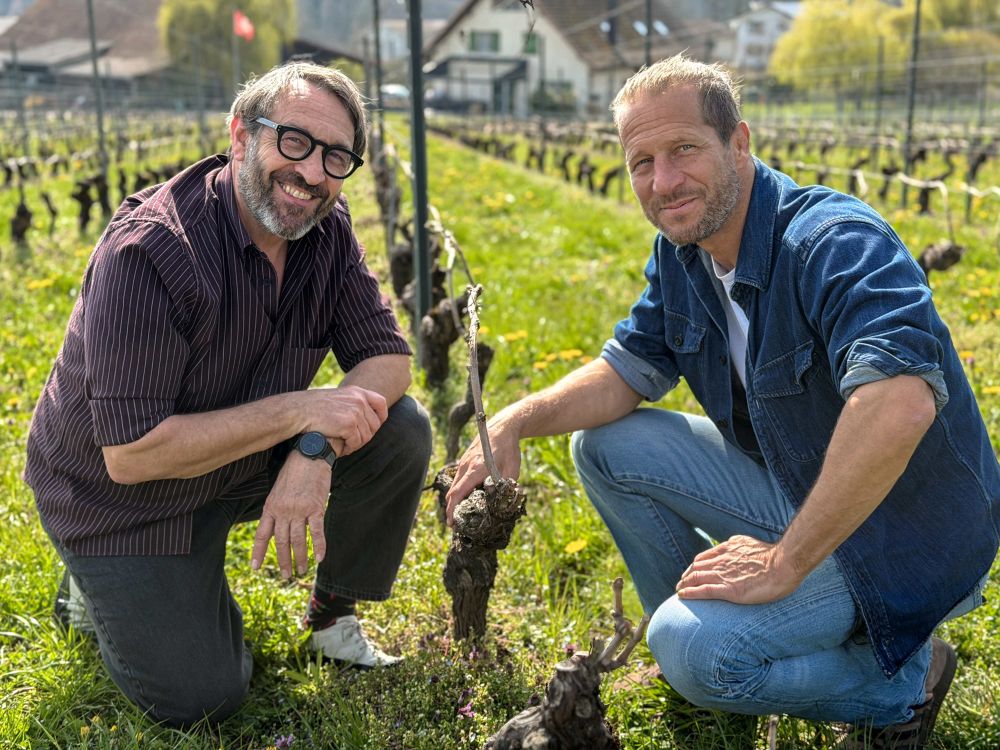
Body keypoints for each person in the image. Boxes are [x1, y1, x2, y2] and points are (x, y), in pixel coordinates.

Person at [448, 54, 999, 747]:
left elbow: (901, 403)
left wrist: (784, 562)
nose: (663, 181)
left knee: (694, 651)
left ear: (739, 142)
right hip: (805, 490)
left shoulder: (833, 242)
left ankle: (901, 685)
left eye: (683, 150)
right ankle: (719, 638)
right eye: (641, 161)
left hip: (904, 536)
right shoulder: (685, 253)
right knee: (607, 446)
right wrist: (512, 421)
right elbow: (625, 372)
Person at [25, 61, 432, 727]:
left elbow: (387, 359)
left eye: (336, 156)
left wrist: (314, 450)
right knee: (202, 699)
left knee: (398, 429)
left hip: (235, 461)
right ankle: (91, 584)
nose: (313, 173)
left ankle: (331, 620)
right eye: (294, 141)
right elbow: (131, 456)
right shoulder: (151, 252)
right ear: (241, 136)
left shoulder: (324, 229)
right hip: (121, 500)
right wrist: (299, 410)